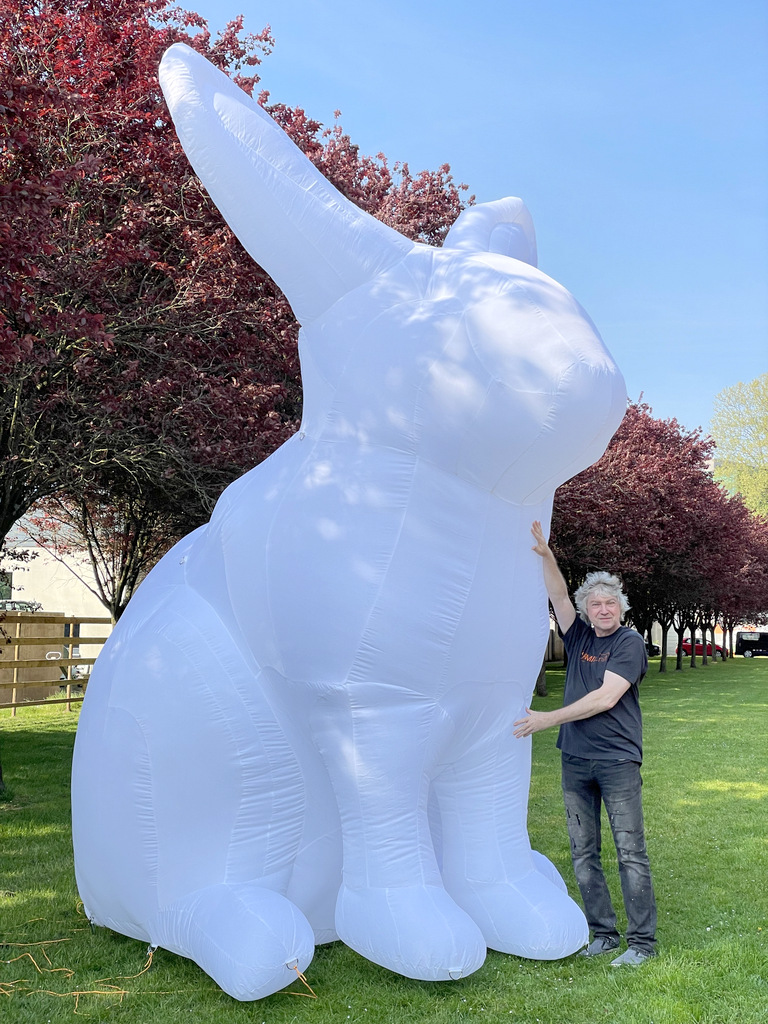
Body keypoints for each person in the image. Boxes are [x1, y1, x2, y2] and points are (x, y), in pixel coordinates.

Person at [513, 520, 657, 966]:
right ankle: (604, 934)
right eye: (595, 604)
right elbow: (558, 596)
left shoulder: (630, 644)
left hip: (616, 762)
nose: (603, 609)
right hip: (575, 760)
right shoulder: (577, 637)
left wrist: (547, 719)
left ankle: (641, 943)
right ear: (587, 610)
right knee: (583, 850)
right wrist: (547, 556)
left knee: (630, 851)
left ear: (621, 608)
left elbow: (605, 698)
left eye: (610, 603)